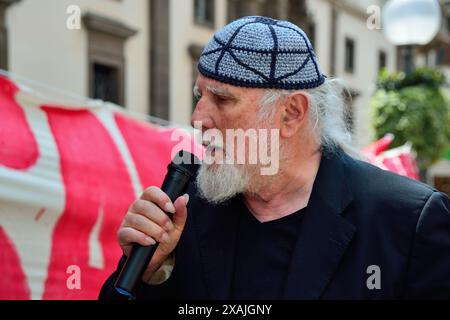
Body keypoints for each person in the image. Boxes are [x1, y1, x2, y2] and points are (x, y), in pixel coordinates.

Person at [99, 16, 450, 300]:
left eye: (222, 100)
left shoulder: (408, 222)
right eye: (199, 95)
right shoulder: (186, 212)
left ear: (291, 113)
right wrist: (146, 273)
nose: (198, 118)